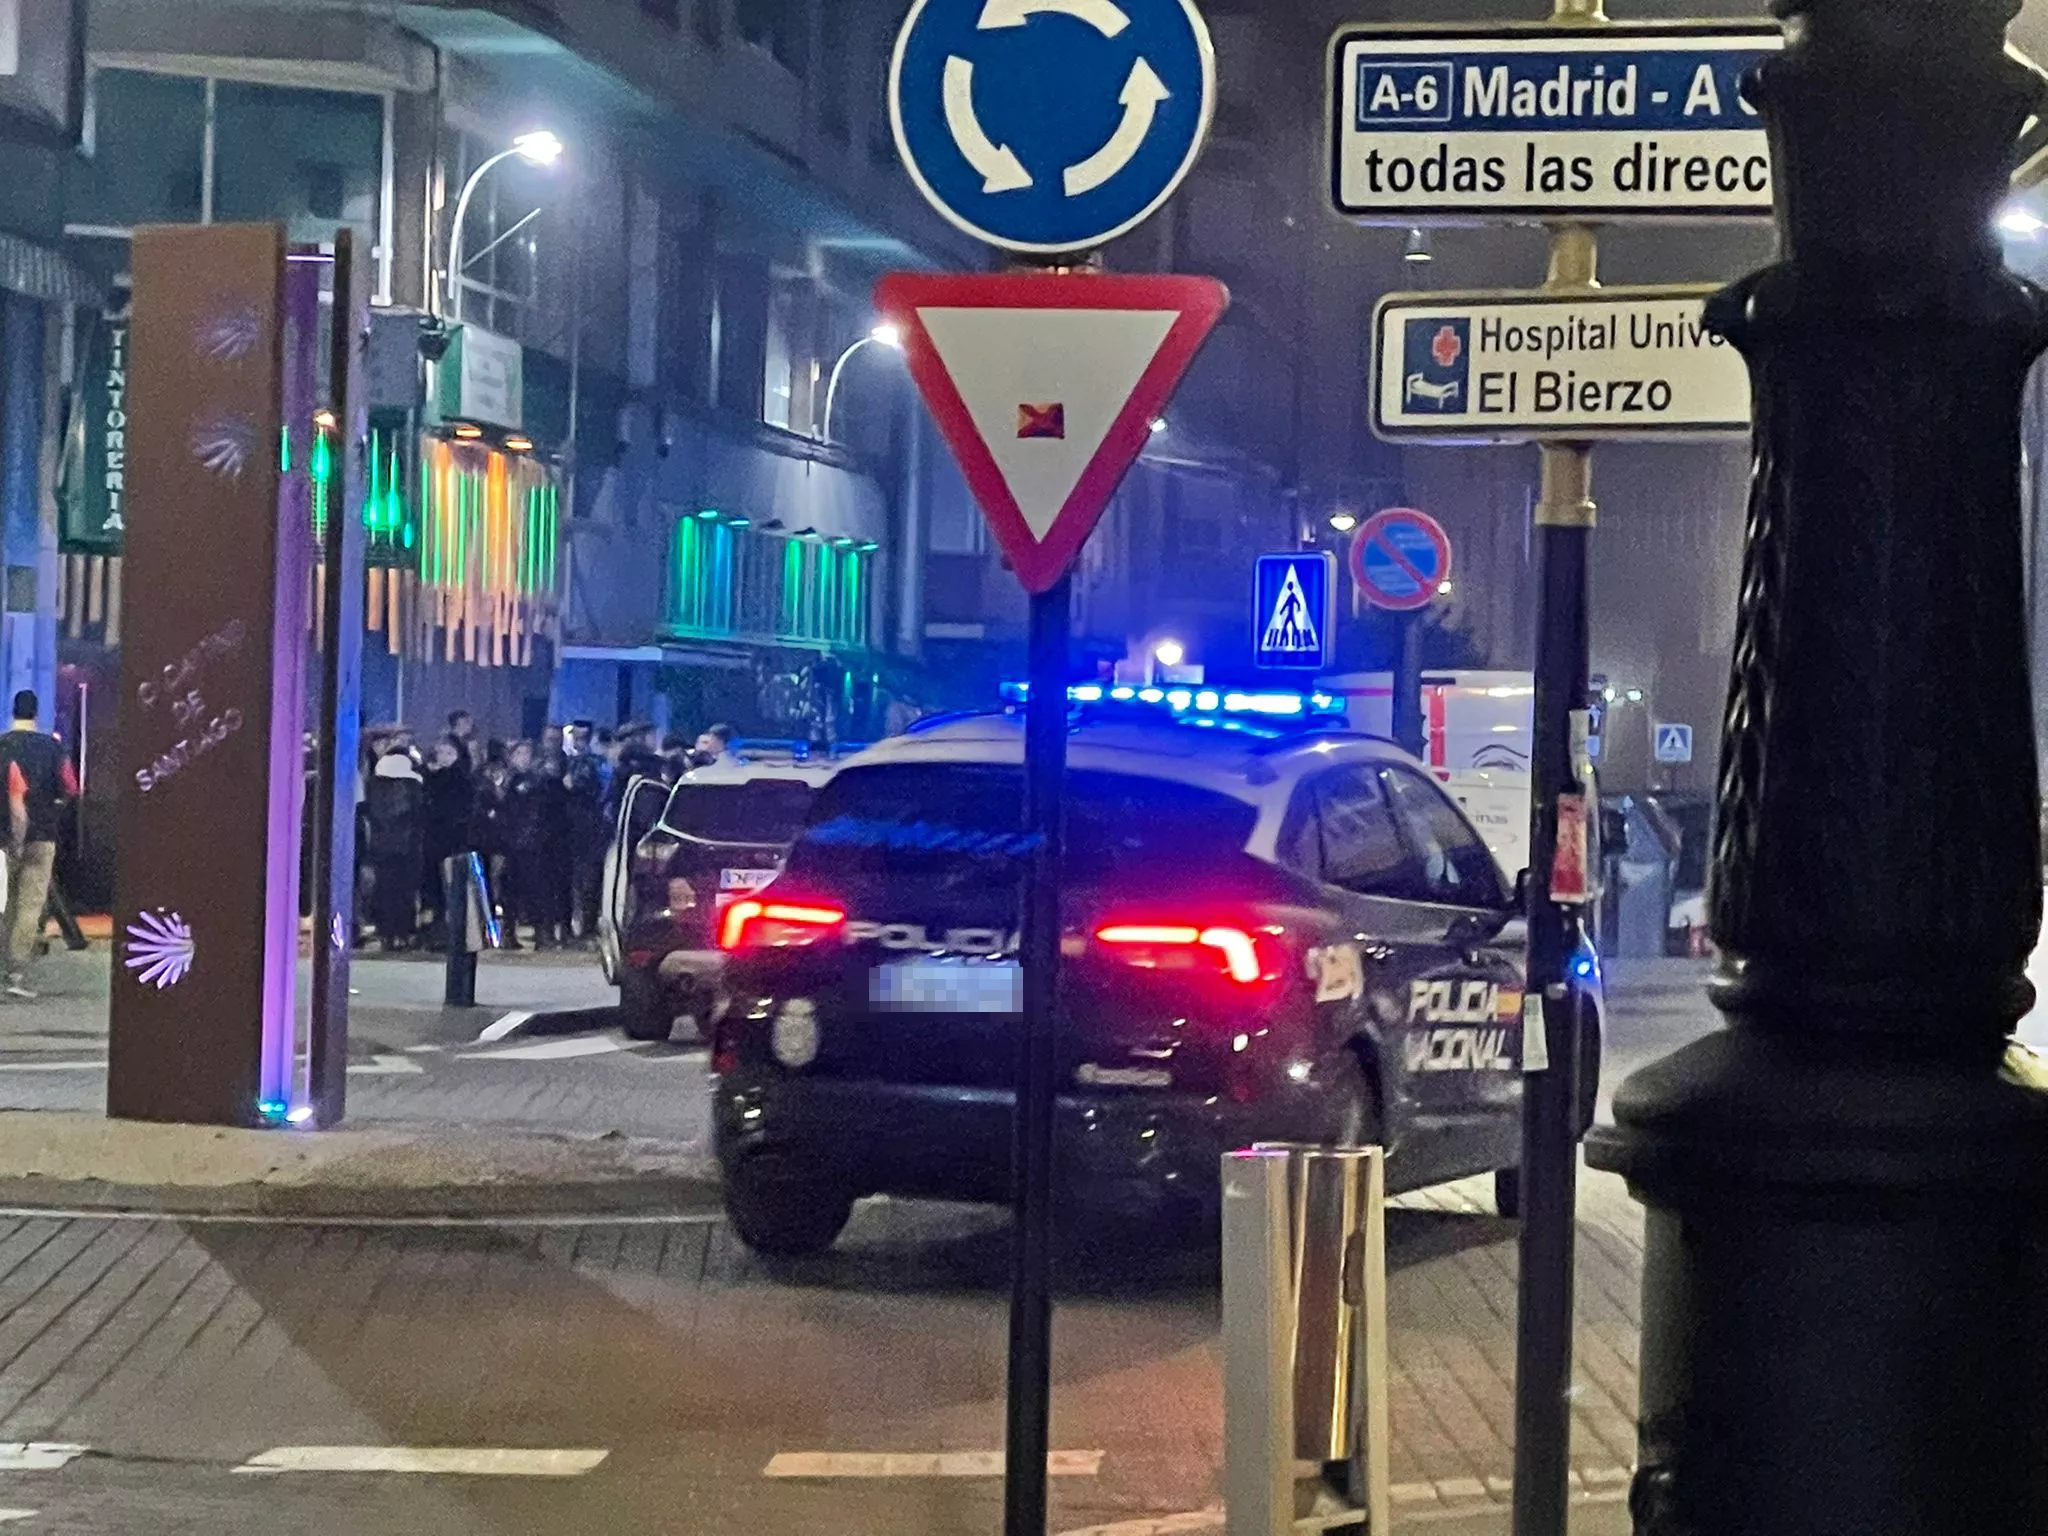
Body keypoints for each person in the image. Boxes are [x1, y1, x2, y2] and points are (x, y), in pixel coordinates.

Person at [0, 694, 77, 999]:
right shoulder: (52, 747)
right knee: (30, 905)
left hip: (4, 837)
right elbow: (71, 786)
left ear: (13, 711)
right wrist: (55, 805)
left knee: (6, 903)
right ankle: (15, 971)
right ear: (36, 713)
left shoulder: (2, 745)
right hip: (42, 835)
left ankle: (3, 960)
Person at [364, 743, 424, 950]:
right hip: (407, 847)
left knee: (385, 890)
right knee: (404, 892)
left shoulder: (374, 783)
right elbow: (418, 814)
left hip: (382, 846)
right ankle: (403, 932)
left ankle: (386, 933)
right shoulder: (412, 784)